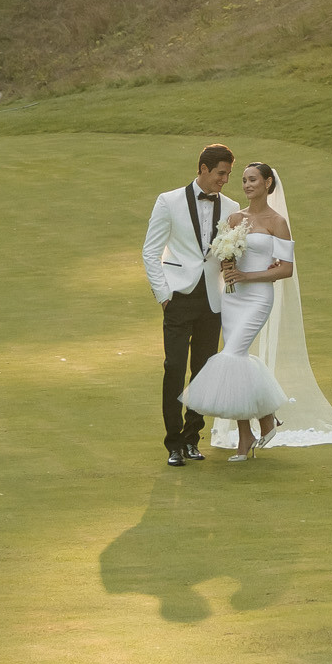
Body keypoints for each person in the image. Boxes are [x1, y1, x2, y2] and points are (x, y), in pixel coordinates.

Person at [185, 161, 297, 460]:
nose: (247, 185)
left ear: (267, 183)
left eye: (253, 180)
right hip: (232, 297)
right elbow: (224, 254)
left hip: (258, 297)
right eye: (244, 180)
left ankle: (266, 418)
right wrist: (227, 262)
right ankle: (247, 434)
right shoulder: (235, 218)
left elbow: (286, 269)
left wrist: (248, 275)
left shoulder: (277, 222)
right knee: (238, 360)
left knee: (232, 354)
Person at [142, 144, 237, 465]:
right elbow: (150, 251)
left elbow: (228, 253)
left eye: (228, 174)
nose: (225, 180)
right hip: (178, 297)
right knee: (174, 367)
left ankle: (192, 438)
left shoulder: (232, 207)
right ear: (203, 169)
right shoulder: (168, 201)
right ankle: (173, 444)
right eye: (221, 173)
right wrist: (164, 295)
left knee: (203, 371)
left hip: (213, 299)